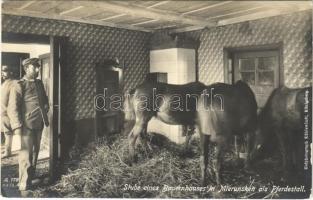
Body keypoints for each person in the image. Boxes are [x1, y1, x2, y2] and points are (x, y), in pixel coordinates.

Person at [8, 58, 49, 191]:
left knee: (35, 152)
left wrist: (45, 107)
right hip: (26, 125)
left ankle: (30, 179)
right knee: (26, 155)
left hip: (39, 123)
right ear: (26, 69)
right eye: (34, 67)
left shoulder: (39, 83)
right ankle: (23, 184)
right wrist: (17, 127)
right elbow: (12, 108)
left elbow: (45, 100)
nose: (38, 69)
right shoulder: (19, 84)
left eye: (38, 67)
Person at [1, 65, 16, 158]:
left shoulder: (14, 83)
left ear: (11, 72)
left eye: (5, 71)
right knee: (5, 132)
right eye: (2, 71)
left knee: (8, 132)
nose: (2, 73)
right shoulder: (4, 83)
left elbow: (14, 99)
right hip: (2, 112)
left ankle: (8, 151)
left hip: (7, 112)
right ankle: (6, 149)